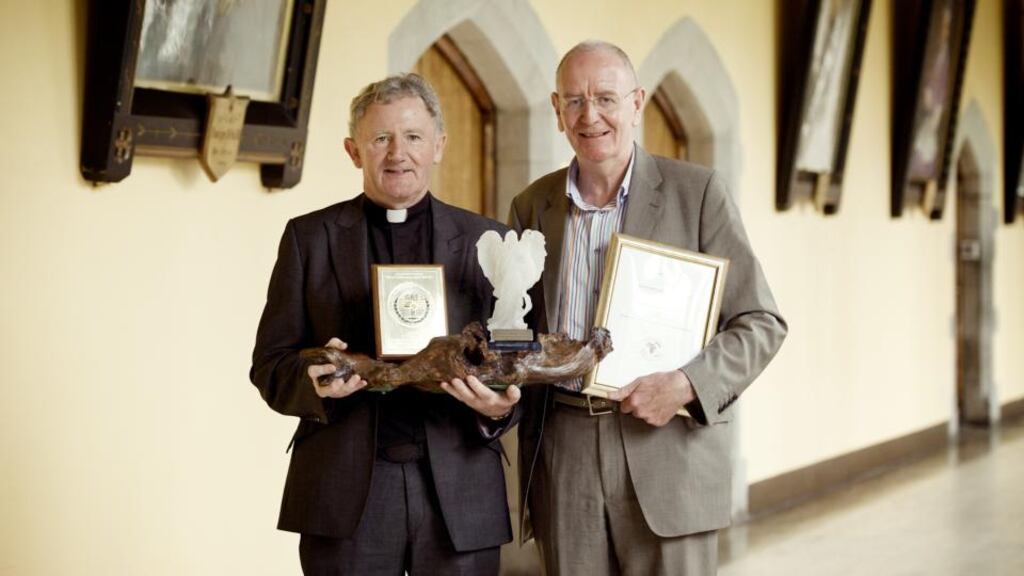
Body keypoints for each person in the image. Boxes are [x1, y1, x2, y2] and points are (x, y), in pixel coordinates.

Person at [509, 41, 788, 575]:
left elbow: (760, 323)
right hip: (564, 452)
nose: (590, 116)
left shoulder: (698, 193)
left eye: (605, 98)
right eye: (574, 101)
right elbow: (518, 330)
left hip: (667, 447)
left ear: (636, 103)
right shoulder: (531, 206)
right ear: (556, 110)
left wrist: (686, 384)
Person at [250, 73, 521, 576]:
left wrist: (501, 407)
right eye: (380, 138)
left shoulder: (490, 242)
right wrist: (314, 379)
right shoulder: (310, 238)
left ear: (439, 146)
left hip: (459, 490)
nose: (398, 153)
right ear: (354, 151)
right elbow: (269, 364)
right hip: (346, 493)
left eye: (413, 136)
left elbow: (517, 355)